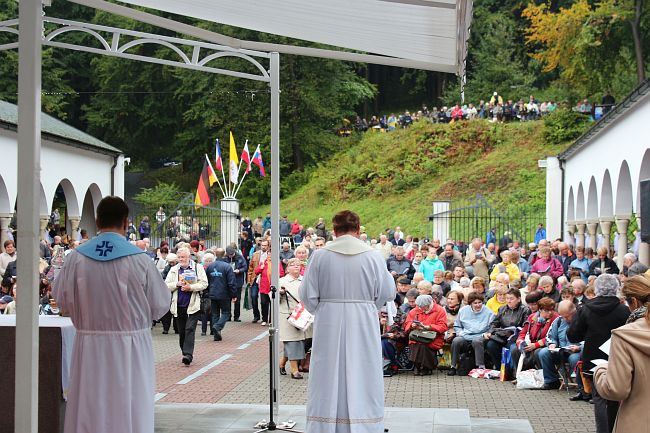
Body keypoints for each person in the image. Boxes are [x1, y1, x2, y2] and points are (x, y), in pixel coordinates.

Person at [52, 196, 170, 433]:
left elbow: (62, 300)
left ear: (97, 221)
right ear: (126, 223)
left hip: (89, 345)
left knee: (90, 404)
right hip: (131, 346)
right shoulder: (140, 260)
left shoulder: (75, 258)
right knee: (130, 405)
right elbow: (160, 304)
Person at [300, 210, 394, 433]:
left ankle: (325, 425)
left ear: (334, 230)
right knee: (362, 368)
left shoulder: (320, 256)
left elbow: (307, 295)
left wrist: (323, 308)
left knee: (327, 371)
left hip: (328, 320)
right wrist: (368, 305)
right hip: (362, 319)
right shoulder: (373, 256)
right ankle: (364, 424)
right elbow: (387, 292)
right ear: (358, 229)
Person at [568, 274, 630, 433]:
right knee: (615, 398)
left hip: (593, 360)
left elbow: (573, 335)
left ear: (597, 289)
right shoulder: (624, 310)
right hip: (618, 358)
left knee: (599, 398)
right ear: (616, 288)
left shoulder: (585, 309)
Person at [594, 274, 650, 433]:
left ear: (634, 302)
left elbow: (616, 389)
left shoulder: (624, 335)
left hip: (638, 421)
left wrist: (601, 370)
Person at [165, 246, 209, 366]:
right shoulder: (174, 269)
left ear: (189, 257)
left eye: (183, 257)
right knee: (182, 331)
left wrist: (191, 287)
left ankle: (188, 355)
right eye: (179, 257)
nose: (181, 259)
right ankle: (185, 351)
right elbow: (166, 285)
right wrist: (177, 284)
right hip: (178, 305)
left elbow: (204, 283)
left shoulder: (197, 268)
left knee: (190, 329)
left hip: (193, 305)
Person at [537, 300, 585, 392]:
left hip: (576, 351)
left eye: (567, 316)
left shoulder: (583, 321)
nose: (565, 319)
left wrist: (579, 347)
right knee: (543, 353)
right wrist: (552, 344)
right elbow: (550, 336)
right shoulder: (559, 320)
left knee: (575, 359)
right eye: (562, 316)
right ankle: (551, 381)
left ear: (574, 312)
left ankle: (582, 386)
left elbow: (590, 339)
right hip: (561, 351)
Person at [448, 292, 494, 375]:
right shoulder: (463, 311)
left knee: (477, 341)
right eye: (475, 303)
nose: (478, 305)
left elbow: (492, 326)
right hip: (465, 335)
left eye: (480, 302)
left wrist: (488, 333)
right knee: (456, 341)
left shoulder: (489, 312)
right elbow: (457, 326)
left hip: (481, 336)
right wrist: (461, 333)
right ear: (470, 304)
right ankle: (453, 366)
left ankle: (480, 367)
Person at [484, 288, 529, 370]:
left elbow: (525, 326)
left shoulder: (524, 310)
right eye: (507, 298)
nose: (508, 301)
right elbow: (494, 322)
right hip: (503, 335)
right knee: (491, 345)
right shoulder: (502, 308)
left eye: (511, 299)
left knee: (510, 345)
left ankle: (509, 370)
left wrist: (516, 332)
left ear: (518, 299)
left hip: (516, 336)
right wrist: (490, 331)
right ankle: (499, 369)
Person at [279, 258, 309, 379]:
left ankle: (282, 362)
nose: (296, 266)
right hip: (288, 316)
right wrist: (280, 293)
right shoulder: (282, 281)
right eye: (293, 265)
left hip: (303, 315)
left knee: (301, 342)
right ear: (287, 268)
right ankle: (294, 370)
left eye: (298, 264)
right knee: (292, 342)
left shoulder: (305, 280)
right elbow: (272, 296)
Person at [403, 294, 448, 375]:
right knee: (415, 343)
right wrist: (411, 325)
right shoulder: (415, 310)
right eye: (419, 307)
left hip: (433, 336)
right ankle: (417, 365)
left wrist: (428, 327)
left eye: (423, 307)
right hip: (417, 335)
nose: (421, 309)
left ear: (429, 304)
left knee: (425, 345)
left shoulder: (439, 310)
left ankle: (426, 367)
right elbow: (407, 324)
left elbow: (443, 326)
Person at [511, 297, 559, 373]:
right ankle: (522, 375)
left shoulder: (556, 318)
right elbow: (523, 333)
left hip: (545, 345)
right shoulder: (532, 317)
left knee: (538, 352)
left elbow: (552, 336)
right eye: (546, 310)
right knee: (515, 350)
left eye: (552, 309)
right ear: (540, 309)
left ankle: (541, 375)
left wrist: (535, 345)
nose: (550, 312)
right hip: (530, 343)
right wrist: (520, 343)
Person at [206, 248, 237, 342]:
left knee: (215, 313)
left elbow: (207, 280)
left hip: (213, 293)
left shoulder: (210, 266)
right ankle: (217, 326)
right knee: (226, 313)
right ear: (225, 255)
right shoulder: (227, 267)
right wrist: (233, 295)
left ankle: (216, 333)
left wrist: (208, 291)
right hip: (224, 294)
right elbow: (231, 282)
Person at [223, 246, 247, 321]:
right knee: (227, 300)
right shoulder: (225, 258)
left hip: (237, 281)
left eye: (232, 254)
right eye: (229, 255)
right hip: (227, 282)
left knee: (237, 300)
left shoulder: (240, 257)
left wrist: (239, 270)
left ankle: (236, 316)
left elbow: (245, 267)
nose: (231, 256)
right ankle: (228, 316)